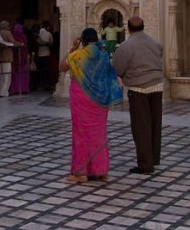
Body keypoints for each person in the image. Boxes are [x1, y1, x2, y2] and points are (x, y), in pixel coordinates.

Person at [59, 28, 123, 183]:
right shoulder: (104, 55)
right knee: (98, 134)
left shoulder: (78, 55)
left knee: (81, 134)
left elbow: (62, 66)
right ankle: (100, 171)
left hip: (82, 98)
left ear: (83, 40)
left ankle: (81, 173)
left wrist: (73, 48)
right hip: (100, 100)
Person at [112, 16, 164, 175]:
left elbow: (118, 68)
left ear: (128, 28)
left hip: (139, 88)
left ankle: (146, 165)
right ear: (143, 26)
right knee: (155, 124)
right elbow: (159, 54)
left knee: (141, 127)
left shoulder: (126, 46)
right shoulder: (154, 43)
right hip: (157, 86)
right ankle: (153, 158)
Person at [0, 21, 17, 97]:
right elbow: (13, 42)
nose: (9, 27)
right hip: (7, 56)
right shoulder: (7, 33)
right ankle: (4, 92)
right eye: (8, 26)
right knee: (6, 75)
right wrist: (20, 44)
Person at [10, 18, 30, 94]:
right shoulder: (24, 37)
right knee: (22, 74)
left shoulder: (13, 36)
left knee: (16, 74)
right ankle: (23, 88)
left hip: (16, 56)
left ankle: (15, 89)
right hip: (22, 56)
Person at [37, 21, 54, 90]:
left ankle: (40, 85)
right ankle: (46, 85)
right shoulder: (49, 34)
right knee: (46, 70)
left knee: (40, 71)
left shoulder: (39, 33)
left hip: (39, 54)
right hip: (47, 53)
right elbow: (51, 44)